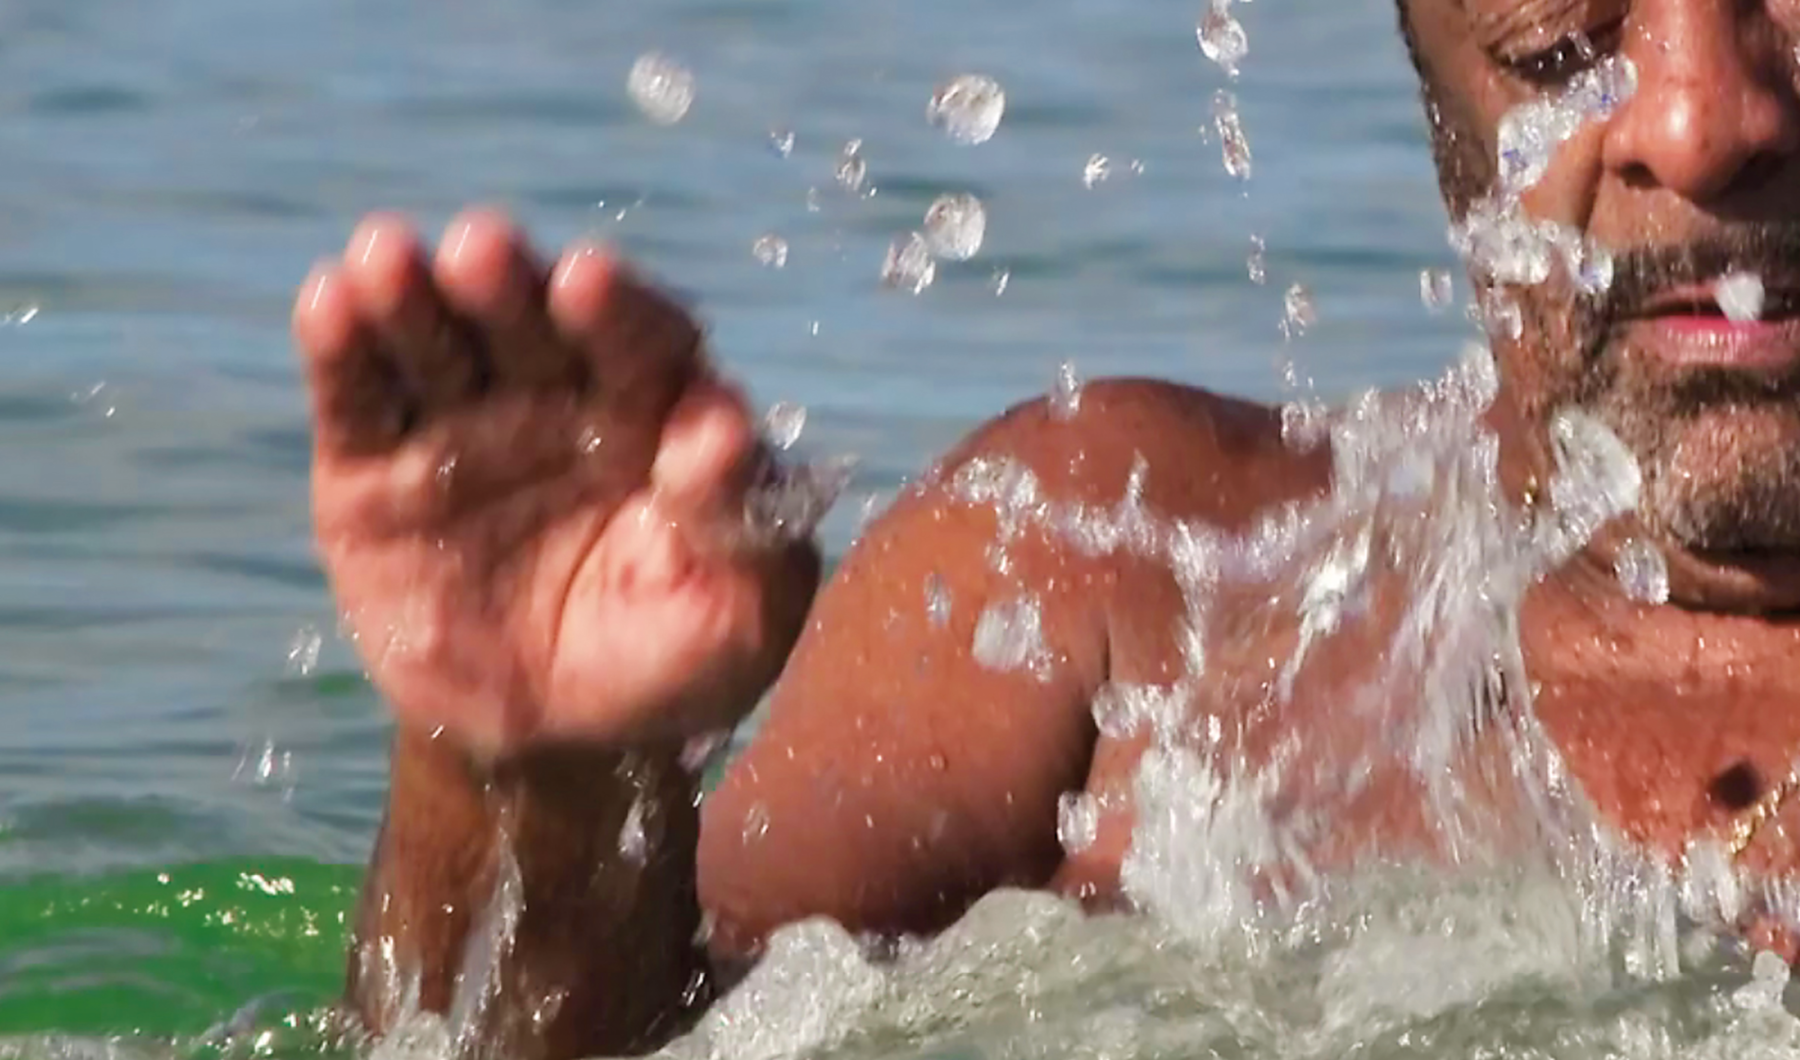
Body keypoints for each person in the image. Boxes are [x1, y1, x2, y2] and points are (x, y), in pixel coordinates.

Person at [291, 0, 1800, 1056]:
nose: (1700, 116)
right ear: (1432, 62)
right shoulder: (1116, 593)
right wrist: (540, 788)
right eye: (1559, 39)